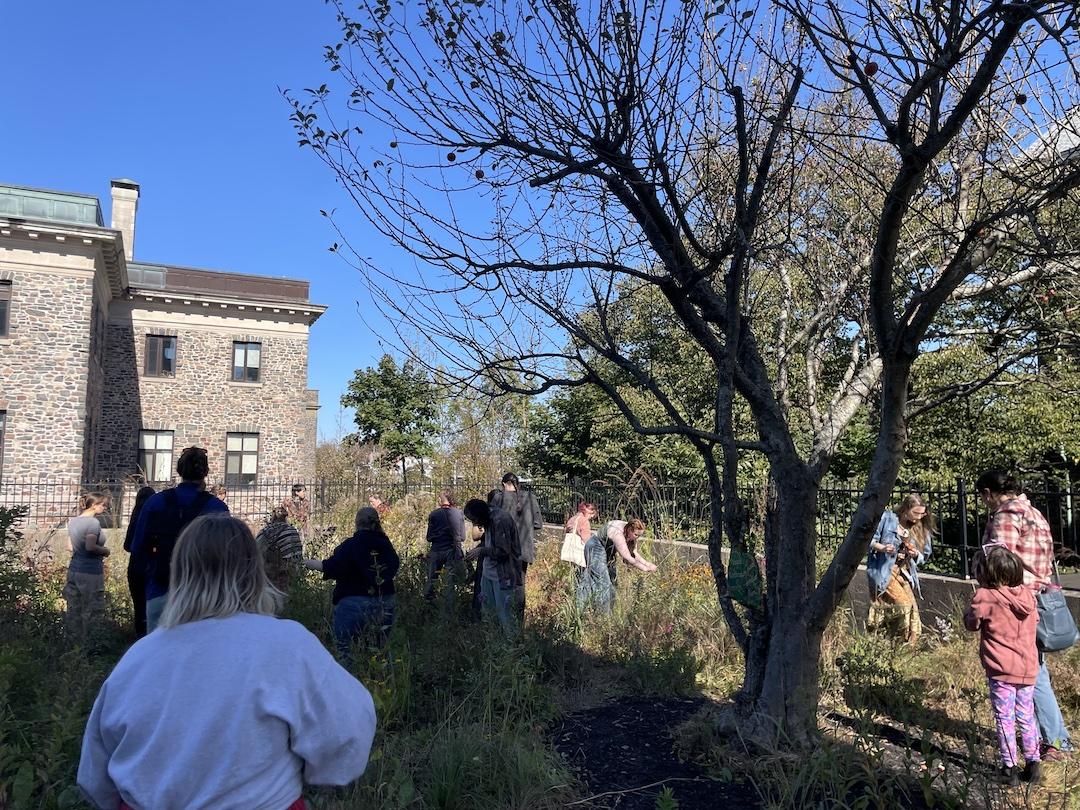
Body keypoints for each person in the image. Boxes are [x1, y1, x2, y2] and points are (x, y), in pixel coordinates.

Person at [77, 514, 376, 810]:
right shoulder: (286, 646)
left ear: (180, 572)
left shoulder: (138, 657)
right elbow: (347, 733)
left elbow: (95, 777)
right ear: (254, 571)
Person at [977, 469, 1073, 761]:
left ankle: (1056, 742)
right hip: (1035, 600)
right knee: (1033, 669)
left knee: (1031, 674)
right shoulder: (1034, 513)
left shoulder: (1006, 516)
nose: (985, 504)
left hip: (1012, 605)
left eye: (983, 498)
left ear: (988, 494)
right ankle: (1051, 739)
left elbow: (998, 561)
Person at [129, 447, 229, 633]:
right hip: (204, 596)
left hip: (161, 590)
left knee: (157, 655)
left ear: (179, 471)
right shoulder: (216, 507)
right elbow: (226, 557)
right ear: (205, 472)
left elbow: (138, 549)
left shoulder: (155, 503)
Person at [965, 545, 1042, 786]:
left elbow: (972, 623)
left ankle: (1009, 768)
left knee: (1004, 717)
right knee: (1027, 715)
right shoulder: (1028, 596)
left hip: (1001, 669)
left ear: (987, 574)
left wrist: (970, 613)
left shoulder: (985, 596)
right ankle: (1033, 763)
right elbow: (1035, 620)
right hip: (1028, 667)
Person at [305, 506, 400, 655]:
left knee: (346, 650)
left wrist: (304, 562)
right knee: (379, 651)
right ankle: (378, 677)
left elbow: (330, 567)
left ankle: (349, 677)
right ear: (376, 522)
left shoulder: (351, 545)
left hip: (352, 604)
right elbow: (394, 565)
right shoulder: (386, 545)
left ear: (356, 523)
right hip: (385, 601)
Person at [865, 494, 935, 644]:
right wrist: (883, 548)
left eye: (922, 513)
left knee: (913, 615)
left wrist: (916, 554)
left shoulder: (919, 528)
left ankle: (907, 647)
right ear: (905, 509)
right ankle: (894, 641)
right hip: (885, 571)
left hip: (904, 573)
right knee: (903, 606)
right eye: (916, 513)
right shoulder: (888, 519)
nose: (919, 517)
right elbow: (870, 540)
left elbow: (925, 555)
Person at [463, 498, 523, 635]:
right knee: (488, 613)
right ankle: (492, 644)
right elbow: (491, 544)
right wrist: (477, 549)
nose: (474, 523)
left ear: (480, 515)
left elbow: (503, 551)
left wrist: (481, 551)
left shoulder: (500, 520)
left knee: (505, 616)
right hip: (489, 573)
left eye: (474, 519)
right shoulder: (489, 519)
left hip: (504, 575)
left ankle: (510, 648)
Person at [576, 518, 656, 613]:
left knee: (612, 581)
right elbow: (627, 557)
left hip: (608, 550)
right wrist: (645, 569)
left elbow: (633, 553)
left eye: (639, 536)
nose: (637, 538)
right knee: (603, 582)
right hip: (596, 546)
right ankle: (603, 616)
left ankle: (598, 610)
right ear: (630, 529)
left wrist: (647, 564)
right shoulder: (618, 534)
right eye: (636, 535)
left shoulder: (630, 534)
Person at [63, 492, 111, 642]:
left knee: (74, 608)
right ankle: (91, 643)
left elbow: (70, 547)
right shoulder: (93, 523)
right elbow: (90, 546)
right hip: (90, 571)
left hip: (74, 569)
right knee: (93, 608)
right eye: (103, 505)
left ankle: (73, 641)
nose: (105, 507)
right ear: (94, 505)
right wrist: (105, 551)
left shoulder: (73, 522)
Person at [489, 473, 542, 576]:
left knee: (504, 585)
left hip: (504, 549)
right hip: (524, 550)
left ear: (504, 484)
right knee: (520, 583)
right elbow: (538, 524)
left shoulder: (498, 498)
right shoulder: (530, 498)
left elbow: (491, 523)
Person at [123, 486, 156, 638]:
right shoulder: (155, 519)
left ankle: (140, 637)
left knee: (139, 606)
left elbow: (127, 546)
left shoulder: (135, 517)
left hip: (135, 567)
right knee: (152, 604)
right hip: (151, 567)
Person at [424, 490, 467, 602]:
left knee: (432, 580)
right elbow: (462, 537)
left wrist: (439, 535)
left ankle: (429, 604)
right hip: (453, 552)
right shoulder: (459, 514)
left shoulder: (433, 514)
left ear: (440, 500)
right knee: (450, 584)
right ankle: (449, 609)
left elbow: (429, 538)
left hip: (437, 550)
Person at [255, 506, 304, 592]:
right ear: (285, 517)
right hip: (286, 574)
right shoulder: (291, 530)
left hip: (266, 573)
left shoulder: (264, 531)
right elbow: (296, 559)